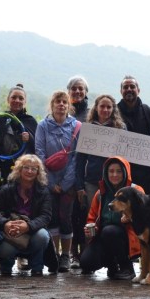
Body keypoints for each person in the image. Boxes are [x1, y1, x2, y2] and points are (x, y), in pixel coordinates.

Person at [74, 94, 126, 269]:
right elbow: (80, 160)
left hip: (115, 183)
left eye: (109, 107)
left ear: (113, 109)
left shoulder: (121, 128)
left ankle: (117, 258)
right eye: (102, 106)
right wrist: (79, 185)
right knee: (92, 218)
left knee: (115, 217)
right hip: (92, 182)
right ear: (96, 108)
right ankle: (92, 254)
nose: (105, 110)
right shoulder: (87, 128)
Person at [35, 91, 80, 273]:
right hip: (48, 181)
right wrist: (50, 182)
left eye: (64, 102)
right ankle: (55, 254)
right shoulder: (42, 126)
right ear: (52, 105)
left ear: (69, 106)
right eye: (58, 102)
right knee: (52, 218)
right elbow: (40, 153)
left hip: (69, 182)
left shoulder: (77, 126)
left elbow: (76, 157)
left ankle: (65, 256)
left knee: (66, 218)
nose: (61, 105)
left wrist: (66, 183)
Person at [80, 156, 141, 280]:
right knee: (86, 263)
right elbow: (92, 218)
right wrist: (92, 229)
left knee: (110, 231)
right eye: (111, 171)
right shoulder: (100, 193)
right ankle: (112, 265)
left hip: (128, 237)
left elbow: (144, 216)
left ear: (125, 173)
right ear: (105, 173)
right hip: (104, 236)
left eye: (119, 171)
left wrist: (130, 218)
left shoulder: (135, 190)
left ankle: (127, 267)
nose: (114, 175)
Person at [0, 154, 52, 277]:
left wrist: (28, 226)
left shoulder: (43, 191)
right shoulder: (6, 189)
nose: (29, 171)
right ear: (19, 169)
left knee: (42, 236)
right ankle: (6, 267)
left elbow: (46, 216)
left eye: (34, 168)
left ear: (38, 172)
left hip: (33, 231)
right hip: (10, 232)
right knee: (5, 250)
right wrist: (6, 223)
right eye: (26, 167)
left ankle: (37, 267)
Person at [0, 84, 38, 194]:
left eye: (21, 98)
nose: (17, 100)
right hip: (0, 168)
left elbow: (36, 147)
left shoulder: (30, 121)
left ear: (25, 101)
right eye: (14, 97)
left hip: (22, 169)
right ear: (8, 100)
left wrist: (29, 138)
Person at [117, 75, 150, 195]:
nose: (129, 89)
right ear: (121, 91)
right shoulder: (114, 112)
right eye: (125, 87)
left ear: (138, 90)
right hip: (121, 170)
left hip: (145, 172)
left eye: (132, 86)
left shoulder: (148, 112)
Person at [66, 76, 89, 270]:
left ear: (86, 92)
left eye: (81, 88)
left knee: (85, 212)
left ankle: (86, 252)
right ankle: (72, 253)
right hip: (66, 169)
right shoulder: (63, 110)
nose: (77, 91)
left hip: (87, 170)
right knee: (71, 214)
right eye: (74, 88)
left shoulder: (92, 113)